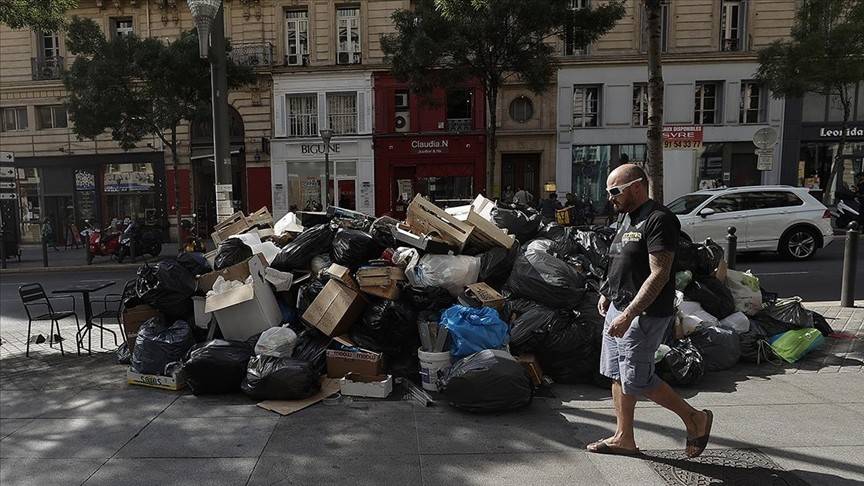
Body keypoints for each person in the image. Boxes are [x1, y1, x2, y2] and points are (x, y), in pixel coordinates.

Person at [588, 164, 713, 458]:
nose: (611, 198)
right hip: (618, 307)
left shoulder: (660, 219)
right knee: (618, 374)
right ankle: (624, 437)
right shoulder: (628, 218)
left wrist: (629, 313)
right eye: (609, 192)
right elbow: (621, 260)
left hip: (643, 314)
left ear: (637, 186)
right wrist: (608, 293)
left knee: (639, 379)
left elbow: (659, 274)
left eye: (614, 191)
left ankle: (695, 418)